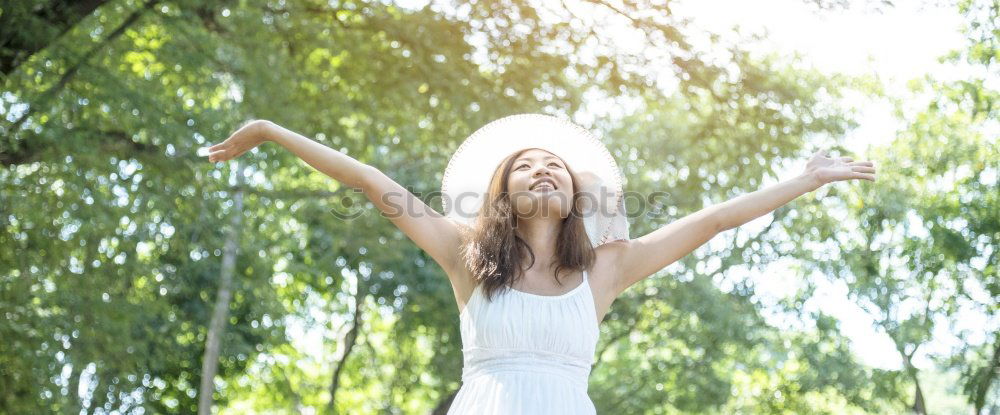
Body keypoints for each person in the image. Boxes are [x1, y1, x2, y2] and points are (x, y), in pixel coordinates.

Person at [205, 113, 876, 414]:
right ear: (504, 193)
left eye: (553, 163)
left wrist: (804, 180)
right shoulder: (466, 258)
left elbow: (714, 219)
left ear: (576, 193)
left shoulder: (607, 270)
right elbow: (372, 183)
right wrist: (270, 131)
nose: (541, 169)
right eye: (524, 166)